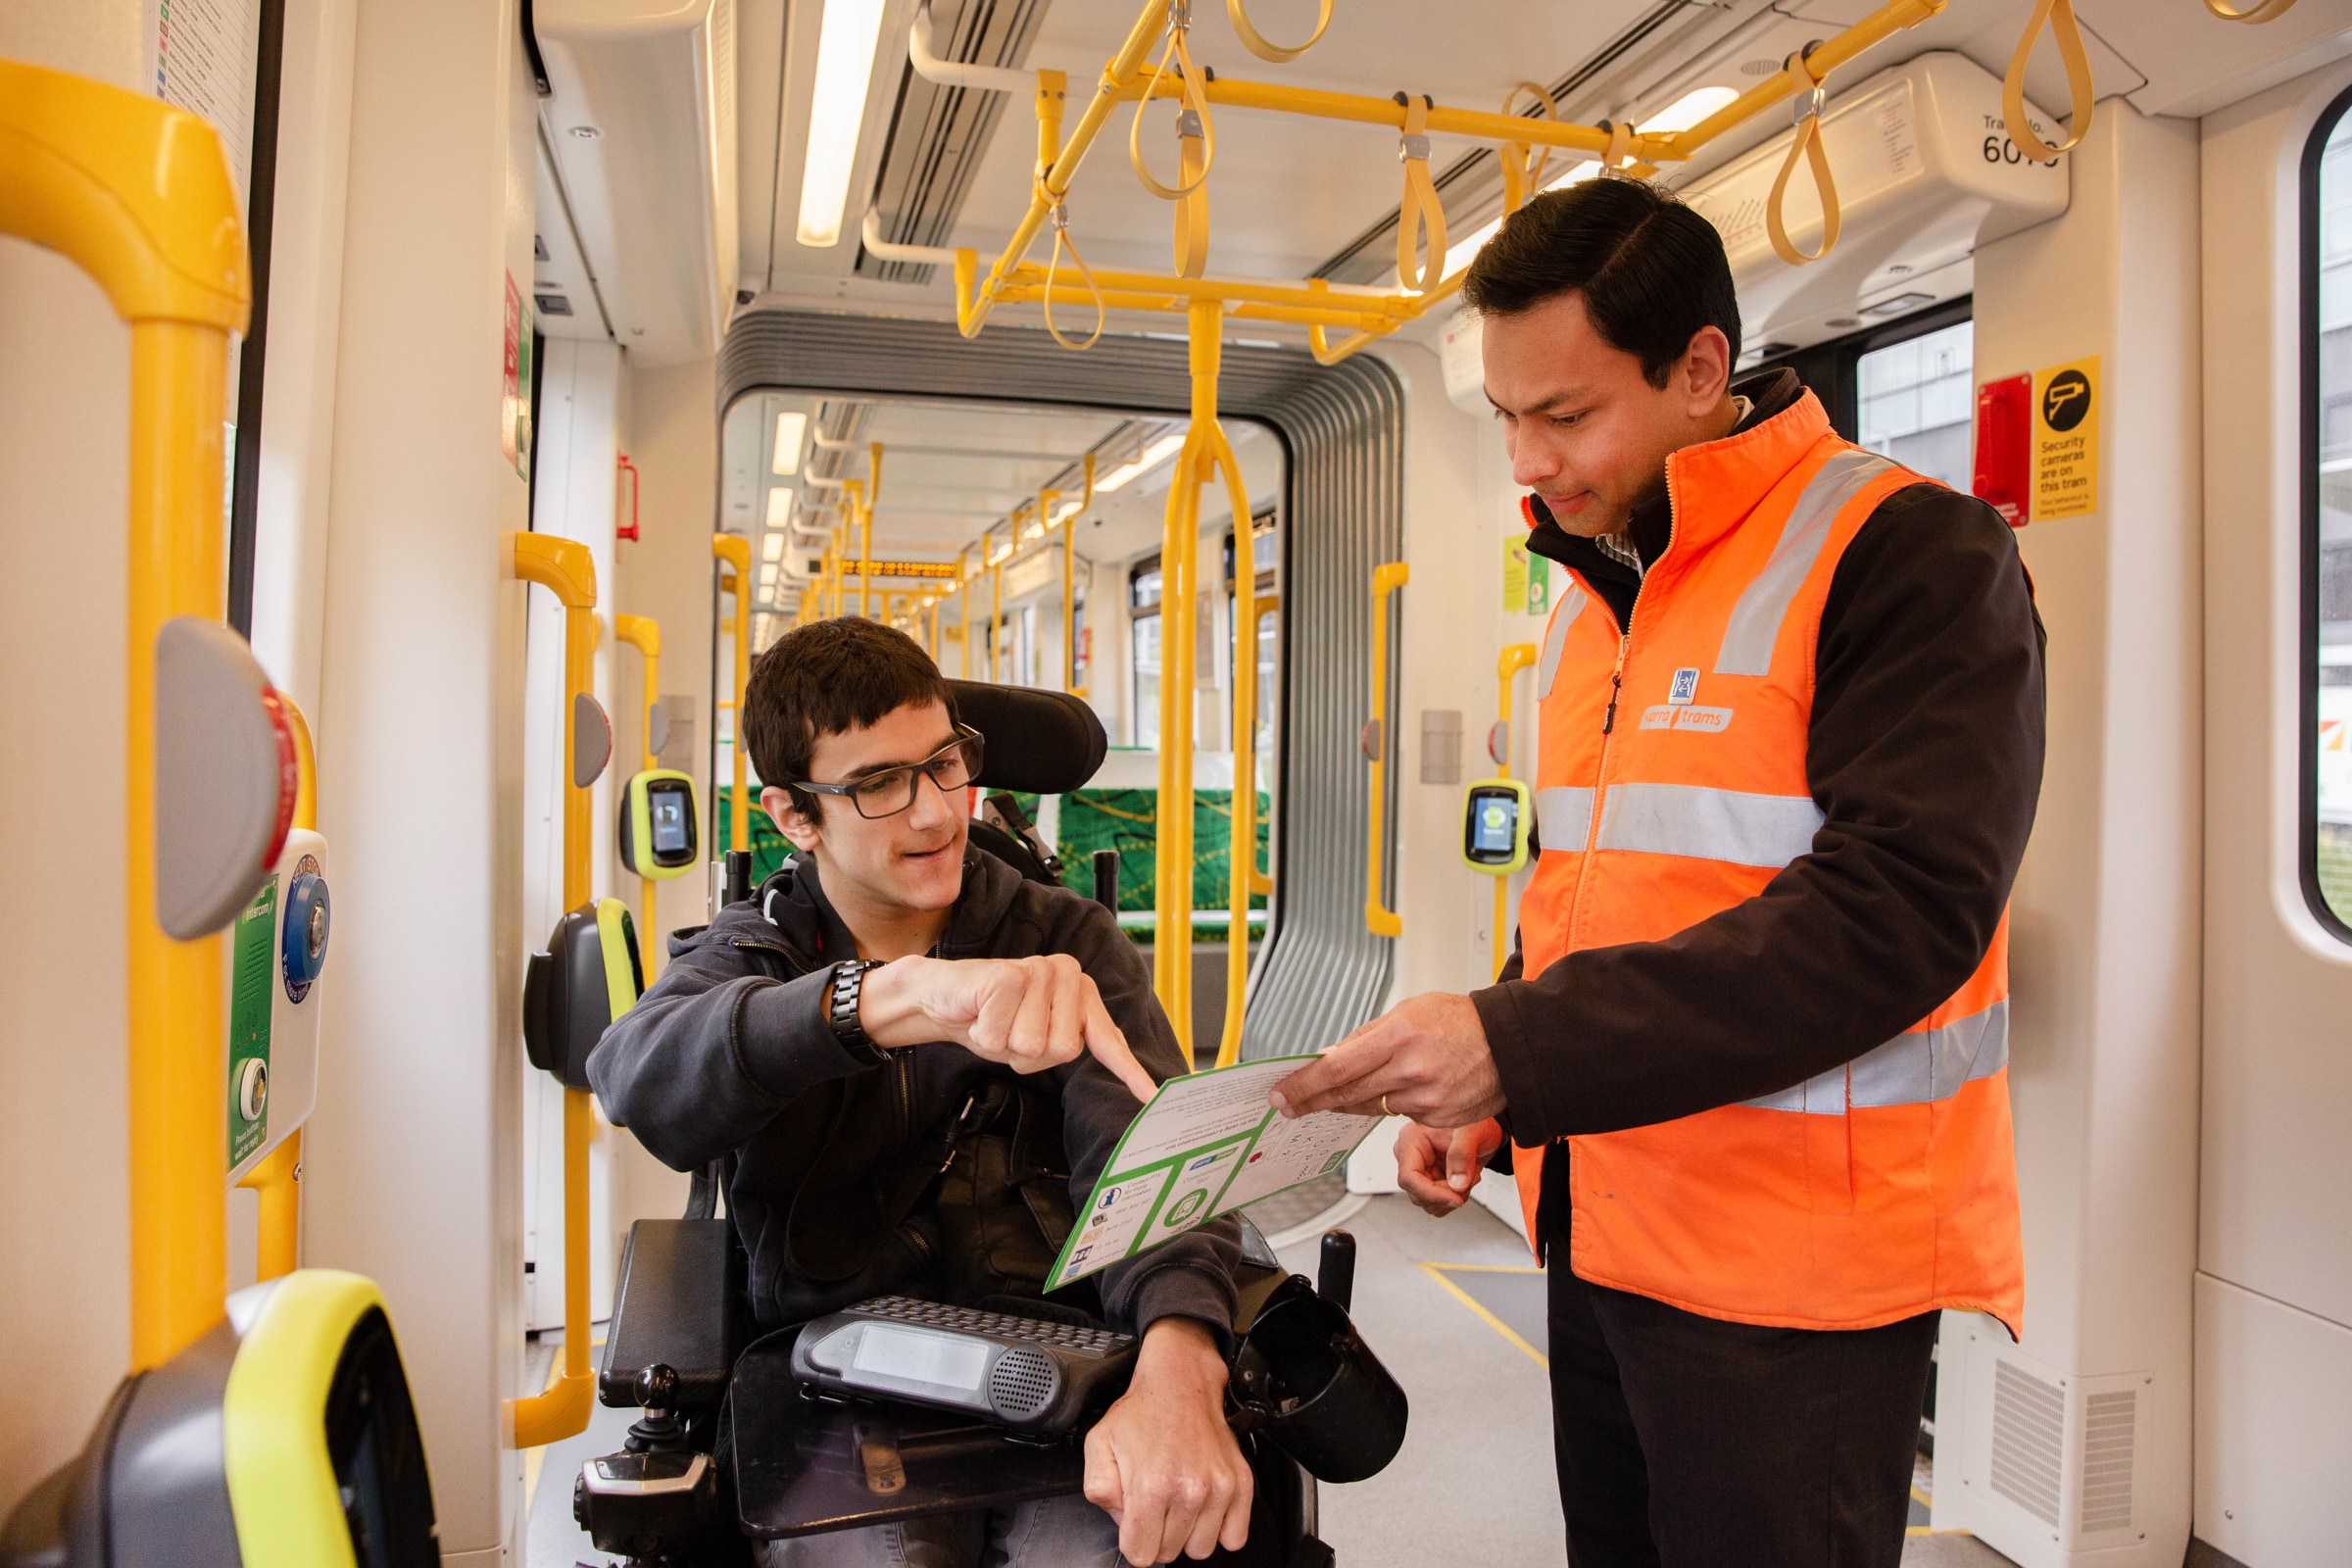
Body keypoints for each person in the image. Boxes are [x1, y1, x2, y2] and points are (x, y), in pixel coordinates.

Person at [1270, 176, 2044, 1567]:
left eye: (1563, 416)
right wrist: (1503, 1096)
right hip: (1606, 1231)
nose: (1526, 460)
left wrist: (1515, 1042)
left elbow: (1900, 912)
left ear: (1700, 368)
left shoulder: (1908, 553)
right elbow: (1596, 886)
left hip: (1796, 1278)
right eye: (1505, 417)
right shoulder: (1589, 602)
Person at [591, 618, 1254, 1568]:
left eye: (945, 762)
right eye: (877, 785)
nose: (939, 812)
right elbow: (640, 1074)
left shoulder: (1062, 938)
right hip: (828, 1378)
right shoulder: (761, 950)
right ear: (792, 814)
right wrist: (881, 997)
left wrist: (1181, 1357)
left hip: (1056, 1362)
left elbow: (1150, 1155)